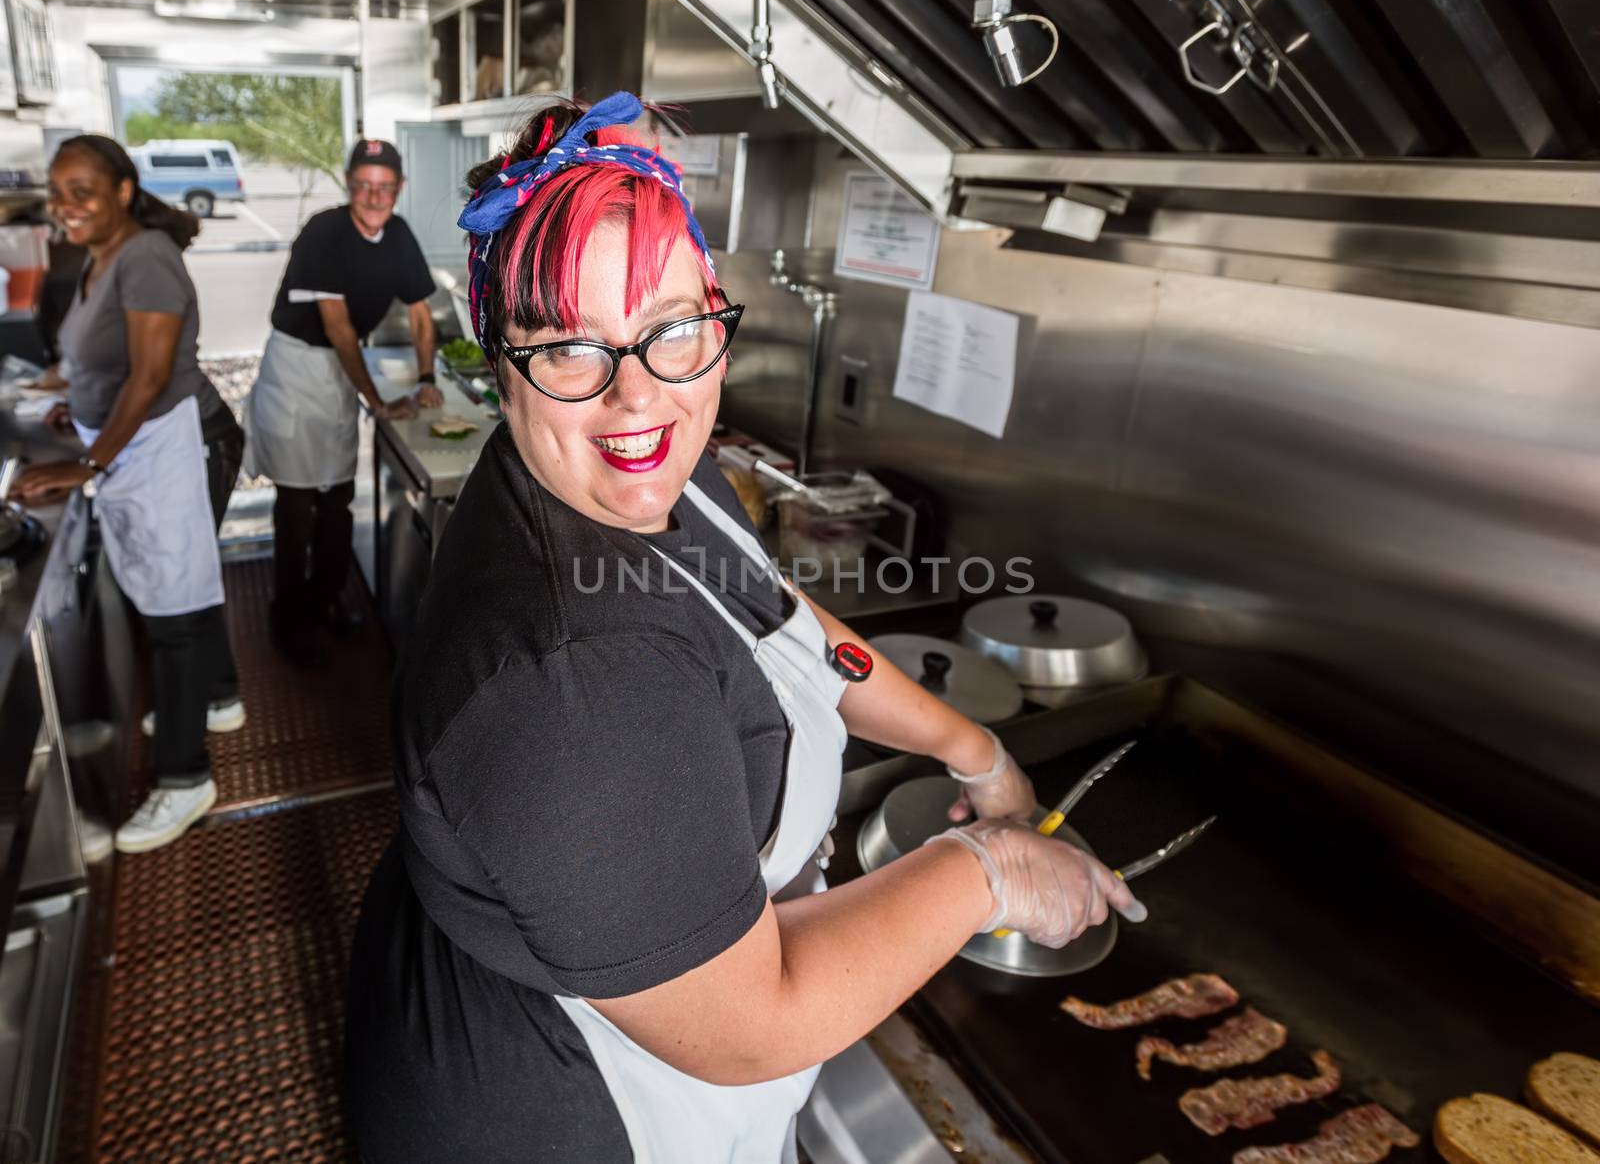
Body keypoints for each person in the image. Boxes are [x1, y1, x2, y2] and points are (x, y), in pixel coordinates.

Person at [343, 93, 1146, 1162]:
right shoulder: (572, 689)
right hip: (559, 1108)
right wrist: (984, 871)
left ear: (715, 316)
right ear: (502, 358)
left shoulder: (658, 474)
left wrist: (971, 746)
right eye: (572, 348)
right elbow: (745, 1023)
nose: (636, 399)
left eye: (672, 329)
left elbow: (786, 619)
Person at [10, 134, 245, 854]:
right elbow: (103, 362)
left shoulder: (145, 255)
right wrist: (74, 399)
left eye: (82, 190)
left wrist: (87, 460)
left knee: (174, 607)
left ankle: (185, 777)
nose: (65, 206)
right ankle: (217, 698)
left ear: (120, 190)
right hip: (142, 445)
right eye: (58, 192)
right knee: (183, 581)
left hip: (176, 441)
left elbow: (148, 378)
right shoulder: (102, 254)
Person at [242, 138, 442, 668]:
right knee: (297, 507)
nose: (373, 197)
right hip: (297, 370)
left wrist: (426, 377)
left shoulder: (397, 234)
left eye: (384, 187)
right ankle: (288, 621)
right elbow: (339, 329)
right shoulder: (324, 232)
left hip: (338, 375)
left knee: (337, 499)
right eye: (363, 185)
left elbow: (422, 313)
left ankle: (325, 599)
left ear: (398, 189)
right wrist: (376, 401)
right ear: (348, 184)